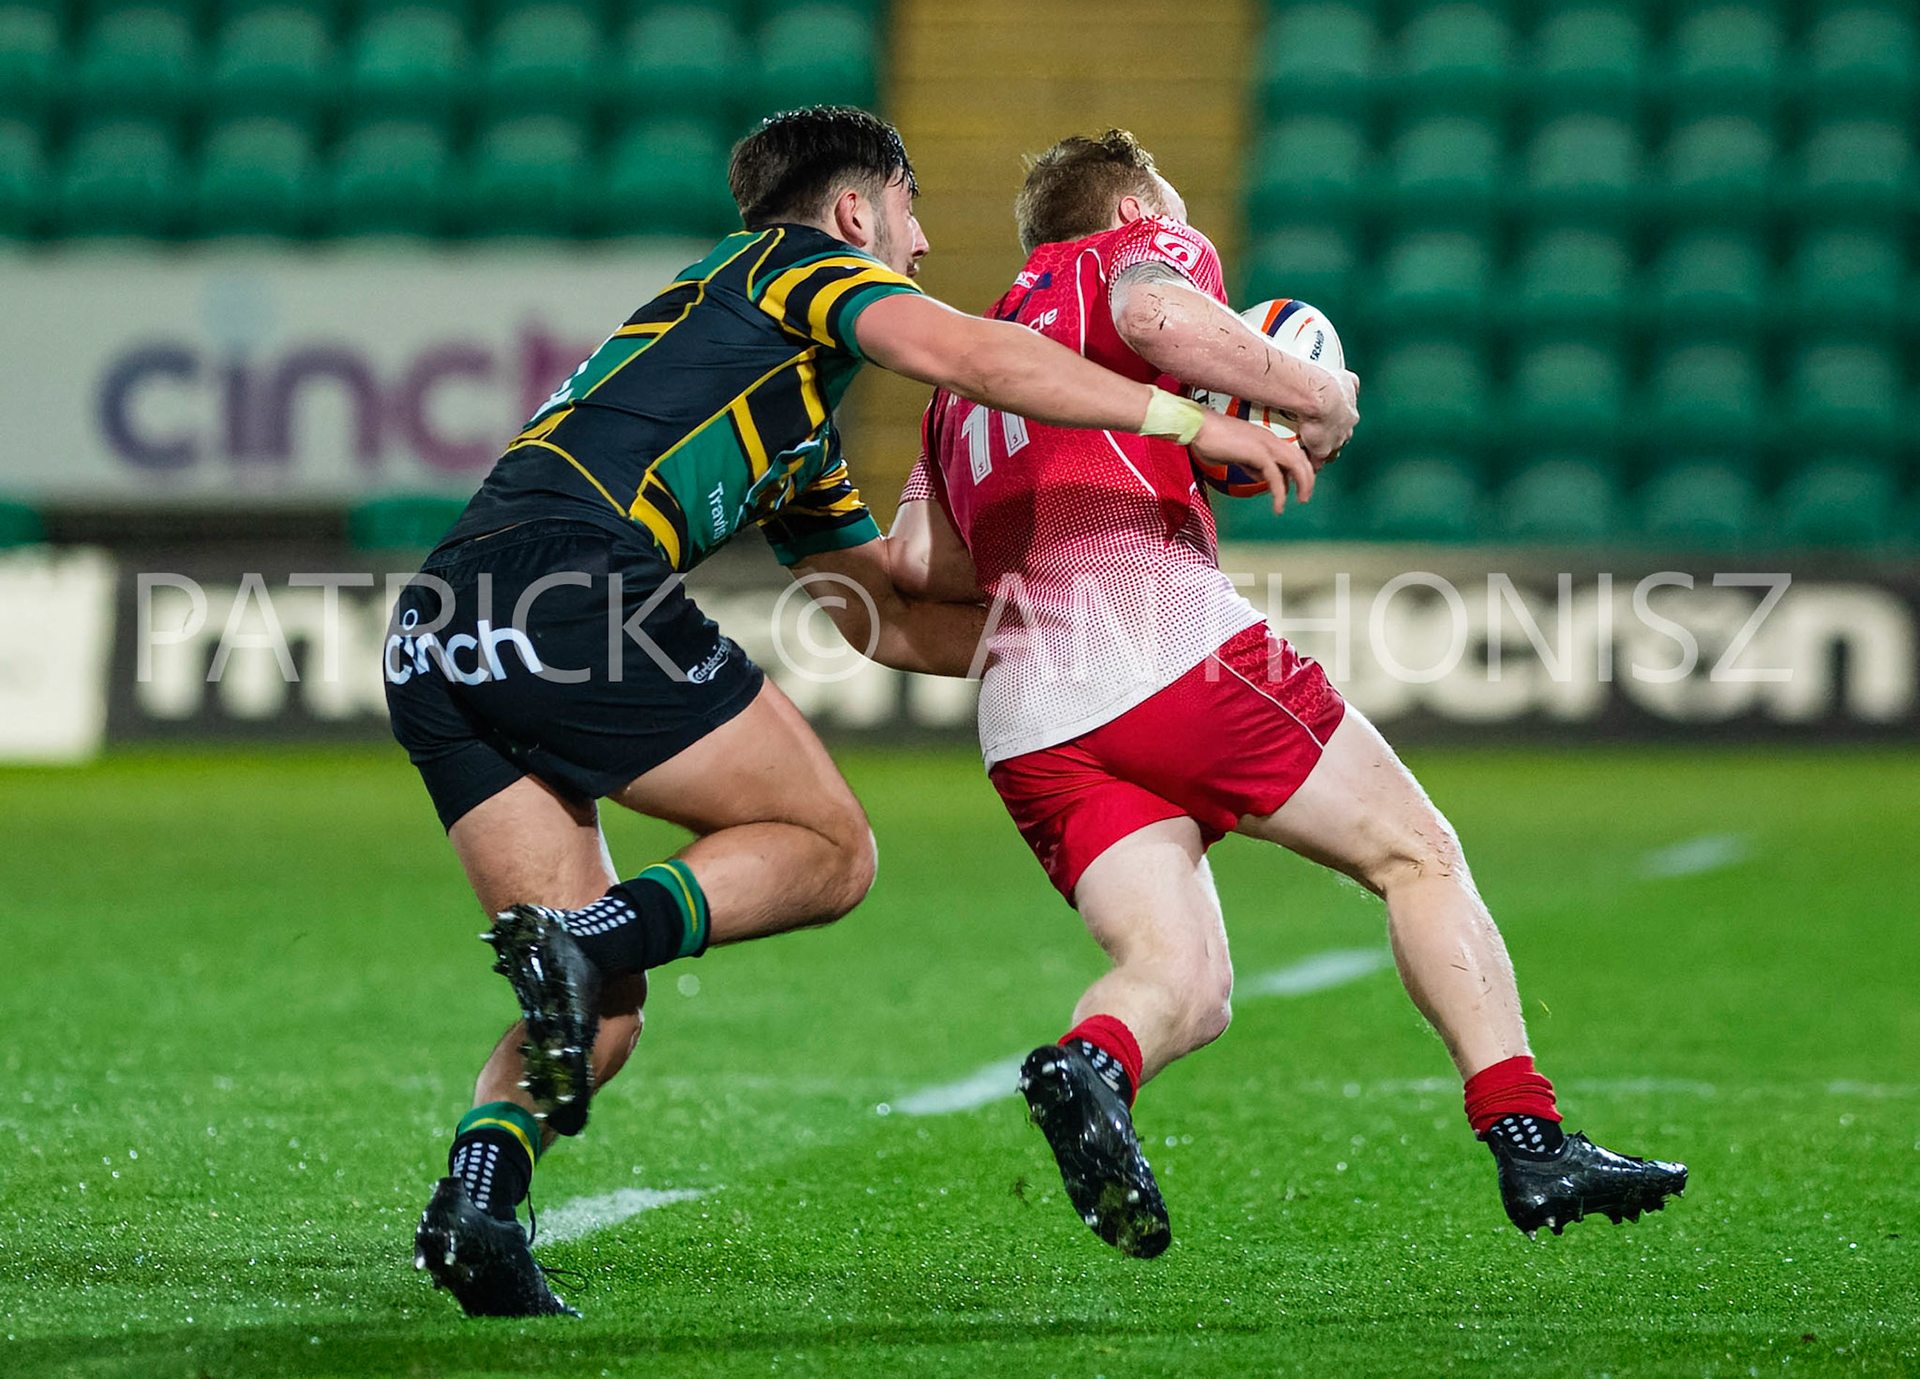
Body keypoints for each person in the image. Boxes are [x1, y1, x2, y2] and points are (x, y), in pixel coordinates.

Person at [384, 107, 1332, 1318]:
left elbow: (874, 615)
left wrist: (1082, 625)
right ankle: (582, 947)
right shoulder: (792, 266)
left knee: (599, 1008)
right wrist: (1190, 419)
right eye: (911, 212)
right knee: (828, 852)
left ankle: (476, 1201)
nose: (924, 246)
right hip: (569, 586)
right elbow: (977, 359)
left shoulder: (780, 402)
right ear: (855, 210)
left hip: (440, 622)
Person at [889, 129, 1686, 1259]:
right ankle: (1530, 1134)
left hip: (1029, 713)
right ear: (1127, 213)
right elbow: (1162, 316)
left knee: (1186, 982)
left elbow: (921, 567)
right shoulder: (1129, 254)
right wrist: (1316, 393)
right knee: (1416, 853)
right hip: (1163, 644)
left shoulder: (961, 383)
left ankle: (1092, 1065)